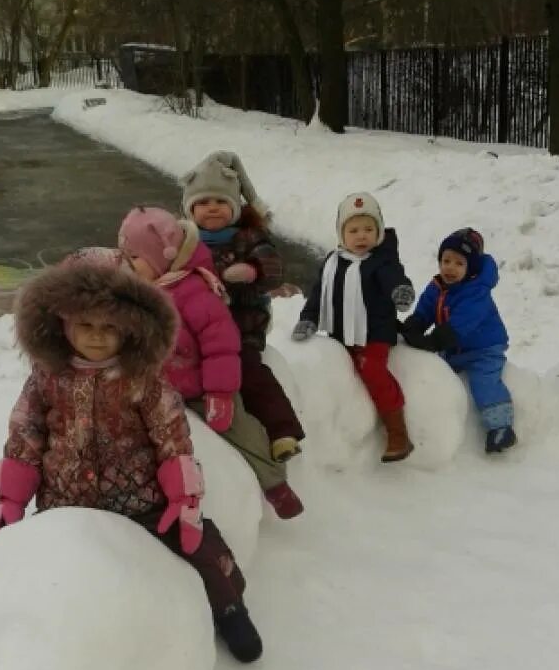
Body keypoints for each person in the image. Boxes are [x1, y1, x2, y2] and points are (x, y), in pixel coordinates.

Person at [0, 258, 263, 663]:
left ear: (129, 328)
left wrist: (183, 503)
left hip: (141, 502)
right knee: (35, 569)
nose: (97, 338)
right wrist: (10, 500)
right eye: (86, 326)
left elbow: (171, 435)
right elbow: (25, 434)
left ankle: (228, 608)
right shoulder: (47, 378)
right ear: (63, 324)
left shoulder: (144, 379)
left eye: (109, 328)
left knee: (200, 547)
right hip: (67, 505)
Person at [117, 204, 304, 519]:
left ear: (161, 256)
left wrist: (219, 394)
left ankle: (275, 484)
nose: (127, 264)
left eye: (135, 258)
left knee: (239, 430)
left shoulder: (194, 293)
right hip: (156, 388)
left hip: (199, 387)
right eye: (125, 256)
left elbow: (222, 346)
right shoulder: (139, 292)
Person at [180, 150, 305, 463]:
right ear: (190, 209)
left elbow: (273, 267)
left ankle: (282, 430)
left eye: (221, 202)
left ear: (235, 207)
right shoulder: (184, 241)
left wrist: (254, 271)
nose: (213, 208)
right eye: (204, 202)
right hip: (196, 329)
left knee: (248, 371)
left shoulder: (249, 237)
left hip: (242, 324)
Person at [291, 192, 416, 462]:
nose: (362, 236)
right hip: (340, 334)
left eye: (369, 229)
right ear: (341, 234)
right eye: (354, 230)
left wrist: (401, 291)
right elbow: (318, 294)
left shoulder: (382, 261)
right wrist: (309, 318)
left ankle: (398, 432)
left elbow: (394, 278)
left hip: (374, 334)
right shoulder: (333, 262)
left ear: (379, 231)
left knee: (371, 368)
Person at [400, 228, 517, 454]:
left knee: (484, 382)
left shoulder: (476, 293)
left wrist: (433, 341)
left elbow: (460, 324)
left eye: (458, 263)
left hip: (483, 349)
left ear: (470, 269)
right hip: (454, 348)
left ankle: (501, 427)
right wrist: (413, 326)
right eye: (446, 261)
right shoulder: (437, 287)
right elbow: (425, 311)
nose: (450, 268)